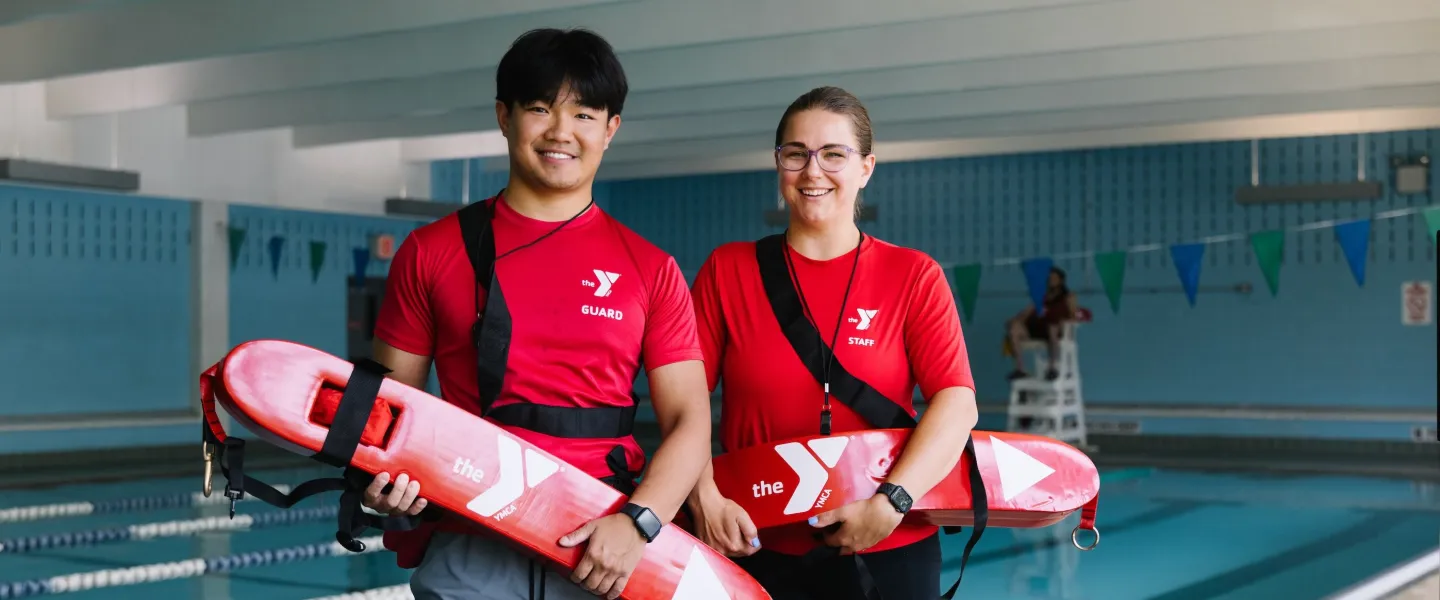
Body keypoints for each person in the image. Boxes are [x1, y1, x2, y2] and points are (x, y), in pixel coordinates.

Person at [363, 28, 714, 600]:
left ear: (611, 128)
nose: (560, 132)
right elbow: (390, 411)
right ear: (504, 117)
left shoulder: (650, 268)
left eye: (583, 114)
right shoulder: (432, 251)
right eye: (539, 108)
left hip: (606, 537)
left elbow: (690, 424)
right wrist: (377, 482)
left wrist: (639, 523)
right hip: (471, 530)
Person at [684, 86, 982, 600]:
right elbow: (681, 403)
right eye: (795, 154)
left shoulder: (912, 275)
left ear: (866, 167)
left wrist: (892, 502)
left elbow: (956, 403)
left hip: (888, 540)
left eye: (834, 154)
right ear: (778, 165)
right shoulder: (727, 270)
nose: (812, 171)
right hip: (753, 541)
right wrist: (704, 498)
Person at [1004, 266, 1078, 381]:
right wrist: (1015, 320)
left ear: (1061, 280)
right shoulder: (1041, 296)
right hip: (1036, 328)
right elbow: (1026, 312)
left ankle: (1052, 367)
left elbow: (1073, 315)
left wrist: (1064, 322)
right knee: (1014, 329)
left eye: (1054, 278)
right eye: (1050, 278)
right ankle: (1019, 368)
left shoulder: (1068, 296)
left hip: (1055, 329)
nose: (1051, 281)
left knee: (1052, 328)